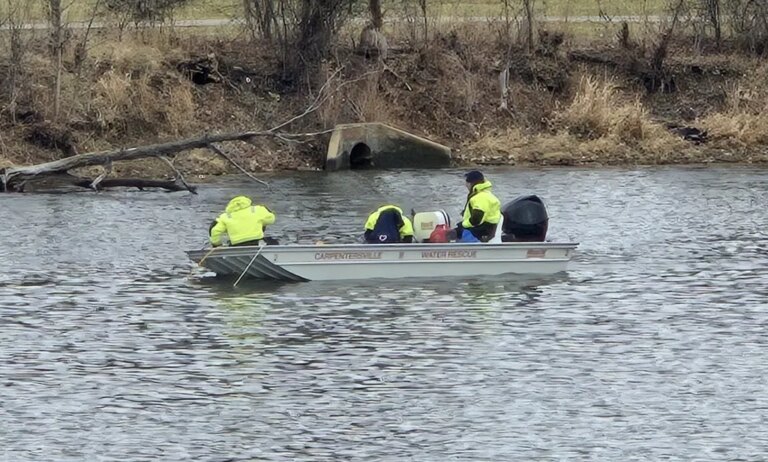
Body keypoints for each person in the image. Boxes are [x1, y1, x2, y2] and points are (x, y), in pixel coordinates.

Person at [209, 195, 276, 247]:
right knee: (273, 241)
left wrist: (217, 244)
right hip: (256, 242)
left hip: (236, 244)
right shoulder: (258, 209)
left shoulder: (225, 216)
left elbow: (215, 231)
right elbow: (271, 219)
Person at [456, 170, 501, 242]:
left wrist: (463, 224)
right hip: (488, 230)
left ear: (470, 183)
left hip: (477, 233)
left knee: (450, 234)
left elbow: (476, 219)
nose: (465, 185)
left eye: (466, 182)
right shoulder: (487, 194)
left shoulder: (480, 197)